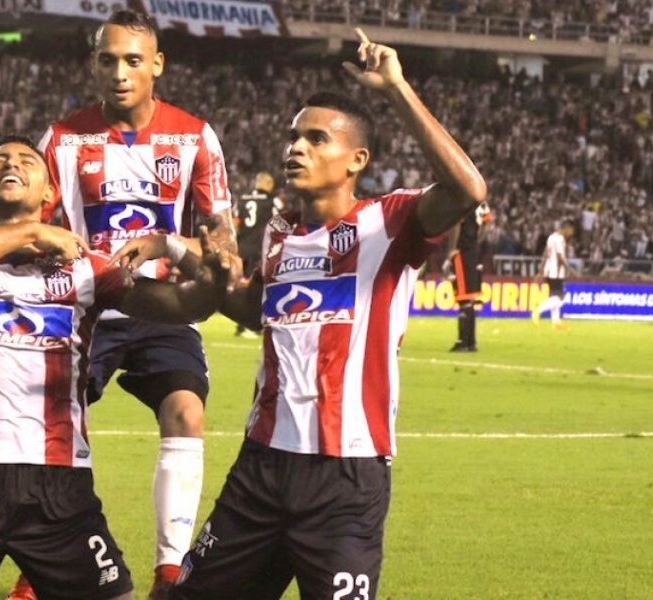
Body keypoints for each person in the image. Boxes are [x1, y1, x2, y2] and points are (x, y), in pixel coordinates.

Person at [164, 30, 487, 600]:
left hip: (347, 475)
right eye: (294, 137)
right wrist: (194, 262)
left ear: (356, 160)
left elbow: (467, 188)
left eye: (316, 139)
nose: (297, 148)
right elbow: (254, 306)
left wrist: (396, 89)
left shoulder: (391, 221)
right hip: (261, 466)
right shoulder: (279, 231)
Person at [0, 135, 230, 600]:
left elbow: (179, 307)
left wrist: (197, 266)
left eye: (26, 160)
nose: (11, 164)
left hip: (61, 486)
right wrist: (34, 232)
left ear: (49, 194)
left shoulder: (88, 271)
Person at [21, 11, 239, 598]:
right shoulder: (63, 139)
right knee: (48, 428)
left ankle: (170, 571)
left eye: (133, 60)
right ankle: (34, 564)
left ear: (157, 65)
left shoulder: (193, 136)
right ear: (94, 63)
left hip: (162, 307)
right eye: (107, 59)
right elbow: (33, 229)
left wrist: (177, 246)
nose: (119, 72)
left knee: (186, 412)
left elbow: (221, 240)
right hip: (82, 309)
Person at [233, 171, 283, 338]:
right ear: (268, 185)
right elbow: (280, 224)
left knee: (243, 286)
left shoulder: (242, 199)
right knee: (258, 287)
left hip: (242, 248)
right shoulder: (271, 202)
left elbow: (235, 224)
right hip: (260, 248)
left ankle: (241, 326)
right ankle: (253, 326)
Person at [444, 202, 491, 352]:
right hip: (474, 253)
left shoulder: (463, 201)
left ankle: (462, 342)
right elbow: (487, 224)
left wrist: (452, 250)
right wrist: (476, 242)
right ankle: (471, 342)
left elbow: (457, 225)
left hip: (462, 253)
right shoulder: (482, 203)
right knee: (470, 299)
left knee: (463, 298)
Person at [531, 221, 575, 328]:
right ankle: (537, 310)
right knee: (560, 297)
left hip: (548, 270)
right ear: (565, 228)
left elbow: (545, 254)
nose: (571, 233)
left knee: (555, 295)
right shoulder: (560, 239)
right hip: (556, 272)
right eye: (570, 230)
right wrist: (570, 269)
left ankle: (556, 322)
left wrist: (541, 270)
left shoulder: (551, 237)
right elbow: (560, 257)